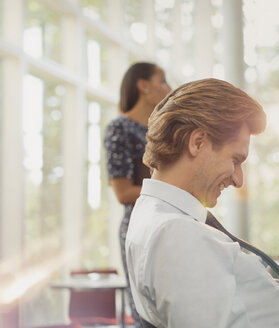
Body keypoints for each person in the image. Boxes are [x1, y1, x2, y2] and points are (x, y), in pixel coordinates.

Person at [125, 78, 279, 327]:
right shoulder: (177, 234)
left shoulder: (159, 218)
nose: (238, 179)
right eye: (235, 159)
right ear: (197, 142)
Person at [104, 62, 171, 326]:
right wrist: (170, 189)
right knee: (146, 313)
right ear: (143, 86)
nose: (169, 87)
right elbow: (122, 192)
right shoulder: (119, 128)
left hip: (170, 223)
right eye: (162, 81)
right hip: (139, 227)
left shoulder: (165, 132)